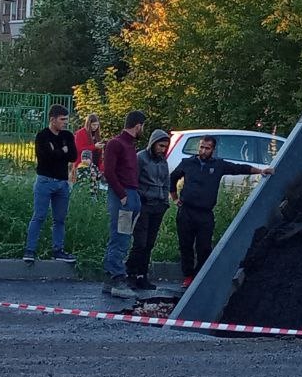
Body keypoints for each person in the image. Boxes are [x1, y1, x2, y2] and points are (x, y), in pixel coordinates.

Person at [170, 135, 273, 288]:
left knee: (204, 247)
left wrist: (261, 171)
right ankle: (188, 276)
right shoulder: (188, 162)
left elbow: (239, 168)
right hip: (186, 211)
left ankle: (200, 277)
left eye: (207, 148)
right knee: (185, 245)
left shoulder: (218, 165)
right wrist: (174, 197)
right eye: (201, 147)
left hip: (205, 213)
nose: (203, 151)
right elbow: (172, 177)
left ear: (213, 149)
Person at [23, 105, 79, 264]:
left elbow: (73, 156)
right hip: (45, 181)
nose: (65, 123)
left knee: (60, 219)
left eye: (66, 120)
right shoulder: (42, 136)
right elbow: (46, 156)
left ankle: (58, 250)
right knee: (39, 216)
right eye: (62, 119)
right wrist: (63, 151)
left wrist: (58, 151)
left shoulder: (67, 135)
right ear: (52, 119)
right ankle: (30, 250)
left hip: (62, 183)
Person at [100, 110, 146, 300]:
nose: (143, 129)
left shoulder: (129, 145)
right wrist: (122, 195)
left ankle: (110, 279)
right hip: (124, 196)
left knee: (124, 236)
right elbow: (109, 172)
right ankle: (117, 277)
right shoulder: (116, 143)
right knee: (120, 236)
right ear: (138, 125)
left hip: (131, 195)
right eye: (143, 126)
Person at [126, 129, 171, 290]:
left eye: (165, 146)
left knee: (150, 243)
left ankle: (142, 275)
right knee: (140, 242)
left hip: (158, 205)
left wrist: (165, 201)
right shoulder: (141, 158)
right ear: (153, 143)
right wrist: (140, 197)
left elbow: (167, 182)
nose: (162, 149)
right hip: (144, 204)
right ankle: (130, 272)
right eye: (160, 145)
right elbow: (133, 180)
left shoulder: (163, 161)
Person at [71, 114, 104, 184]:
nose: (95, 127)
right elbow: (78, 149)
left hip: (95, 167)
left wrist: (100, 169)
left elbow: (99, 155)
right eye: (93, 125)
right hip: (82, 167)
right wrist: (94, 147)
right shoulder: (80, 133)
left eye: (97, 125)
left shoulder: (97, 134)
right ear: (88, 124)